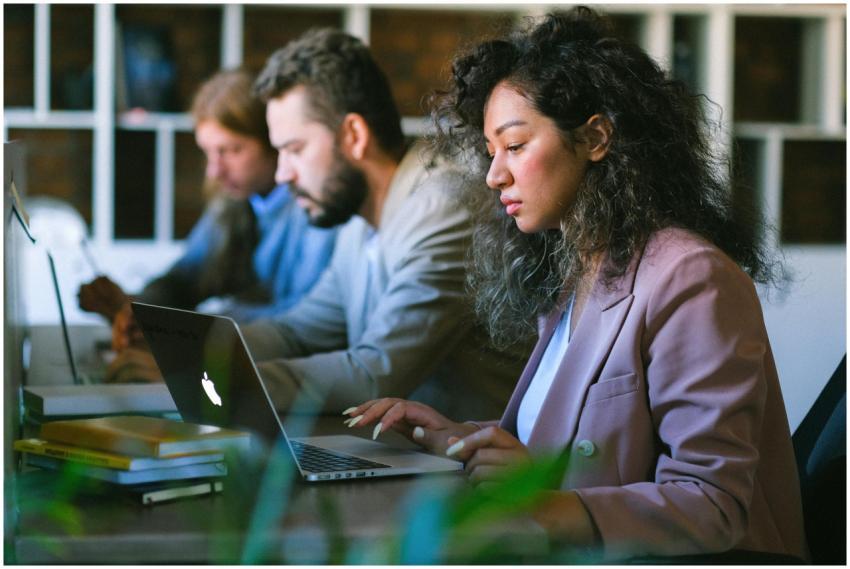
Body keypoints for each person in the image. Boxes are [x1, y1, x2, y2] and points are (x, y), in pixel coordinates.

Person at [345, 8, 808, 562]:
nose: (494, 175)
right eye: (491, 153)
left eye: (514, 146)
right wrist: (460, 440)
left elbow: (713, 506)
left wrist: (542, 501)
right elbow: (578, 434)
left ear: (594, 138)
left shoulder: (691, 278)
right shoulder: (583, 270)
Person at [106, 29, 528, 418]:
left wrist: (203, 382)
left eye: (294, 149)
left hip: (474, 482)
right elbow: (298, 332)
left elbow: (376, 372)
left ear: (354, 136)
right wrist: (188, 348)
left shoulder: (444, 205)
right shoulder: (358, 219)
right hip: (404, 459)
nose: (284, 173)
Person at [78, 69, 338, 339]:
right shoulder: (235, 200)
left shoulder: (316, 208)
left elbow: (303, 317)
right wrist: (139, 309)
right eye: (208, 152)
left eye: (231, 151)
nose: (214, 171)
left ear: (274, 142)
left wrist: (187, 325)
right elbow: (185, 277)